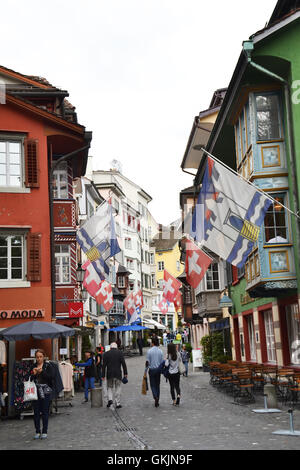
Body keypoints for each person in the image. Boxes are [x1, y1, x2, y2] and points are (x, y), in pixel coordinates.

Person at [30, 349, 55, 440]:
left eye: (40, 357)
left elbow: (51, 377)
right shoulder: (33, 366)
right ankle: (37, 431)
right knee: (36, 412)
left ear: (43, 357)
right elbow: (29, 378)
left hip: (45, 391)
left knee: (45, 412)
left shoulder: (48, 366)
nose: (39, 359)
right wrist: (34, 374)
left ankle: (44, 431)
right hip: (35, 391)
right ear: (35, 358)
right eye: (37, 357)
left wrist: (42, 372)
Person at [102, 343, 128, 409]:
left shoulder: (106, 354)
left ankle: (110, 400)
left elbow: (104, 366)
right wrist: (125, 373)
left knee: (109, 387)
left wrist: (103, 375)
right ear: (116, 347)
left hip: (109, 374)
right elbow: (123, 364)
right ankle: (118, 403)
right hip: (118, 374)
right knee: (118, 387)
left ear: (110, 347)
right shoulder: (120, 353)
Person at [146, 336, 164, 408]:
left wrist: (145, 370)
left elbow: (147, 362)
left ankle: (155, 396)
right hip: (158, 370)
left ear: (152, 343)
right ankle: (158, 399)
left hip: (152, 370)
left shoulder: (149, 351)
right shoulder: (160, 351)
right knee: (157, 385)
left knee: (152, 385)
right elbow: (162, 362)